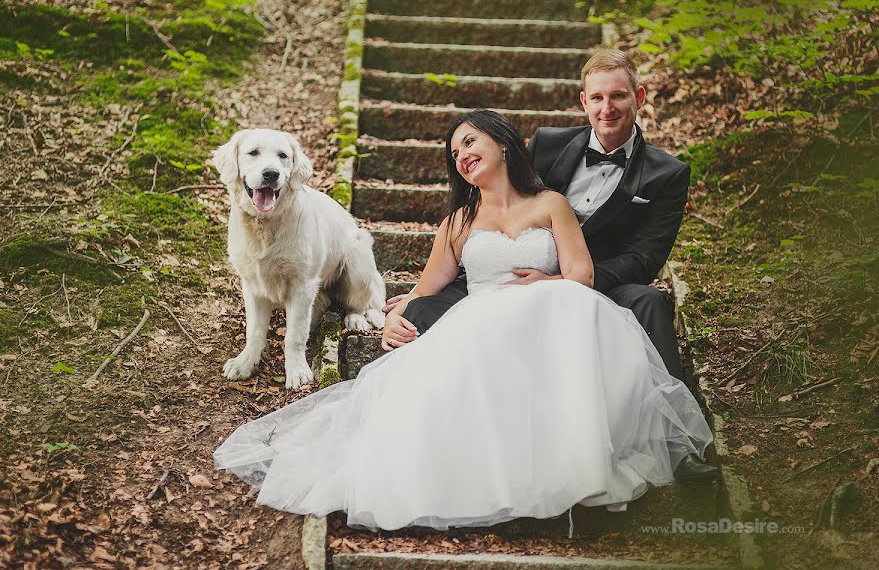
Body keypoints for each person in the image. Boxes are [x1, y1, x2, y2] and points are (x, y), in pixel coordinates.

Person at [214, 110, 714, 533]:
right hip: (484, 324)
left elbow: (581, 273)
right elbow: (427, 288)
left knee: (568, 313)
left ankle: (572, 470)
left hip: (551, 310)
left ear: (503, 144)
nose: (462, 156)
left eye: (470, 143)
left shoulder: (551, 205)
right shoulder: (458, 221)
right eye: (455, 153)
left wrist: (546, 282)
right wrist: (395, 317)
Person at [383, 50, 718, 483]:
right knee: (429, 313)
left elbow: (645, 258)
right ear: (583, 101)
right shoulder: (548, 143)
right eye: (597, 98)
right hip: (516, 269)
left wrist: (563, 282)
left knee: (650, 301)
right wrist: (407, 301)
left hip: (599, 279)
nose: (607, 108)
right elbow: (505, 199)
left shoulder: (666, 174)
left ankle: (678, 445)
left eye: (618, 96)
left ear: (639, 97)